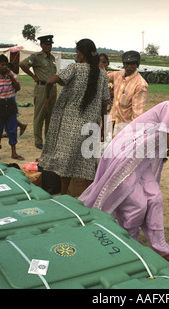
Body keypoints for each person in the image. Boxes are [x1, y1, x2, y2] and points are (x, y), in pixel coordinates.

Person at [79, 80, 169, 264]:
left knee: (155, 198)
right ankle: (130, 241)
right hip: (126, 156)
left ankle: (161, 247)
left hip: (142, 161)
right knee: (137, 203)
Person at [38, 38, 110, 195]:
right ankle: (91, 196)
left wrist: (48, 98)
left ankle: (64, 195)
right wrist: (104, 125)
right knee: (88, 163)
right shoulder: (102, 75)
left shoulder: (74, 68)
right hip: (91, 126)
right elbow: (105, 103)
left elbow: (50, 81)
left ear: (82, 55)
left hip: (70, 125)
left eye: (77, 52)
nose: (76, 55)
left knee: (66, 164)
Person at [19, 35, 57, 149]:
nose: (49, 46)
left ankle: (48, 140)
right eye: (46, 44)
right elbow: (22, 64)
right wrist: (33, 76)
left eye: (50, 44)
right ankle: (38, 141)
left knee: (50, 115)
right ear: (41, 45)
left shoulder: (52, 58)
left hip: (52, 88)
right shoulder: (36, 57)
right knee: (40, 115)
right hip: (42, 88)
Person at [0, 54, 24, 161]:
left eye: (6, 65)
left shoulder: (12, 75)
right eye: (2, 65)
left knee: (12, 130)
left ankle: (14, 152)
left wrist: (11, 77)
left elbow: (18, 88)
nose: (4, 67)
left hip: (11, 106)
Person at [108, 50, 148, 135]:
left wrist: (132, 134)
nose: (129, 66)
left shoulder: (140, 85)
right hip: (110, 123)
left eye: (132, 64)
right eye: (127, 63)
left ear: (137, 65)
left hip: (124, 129)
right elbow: (105, 75)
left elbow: (137, 114)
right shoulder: (118, 75)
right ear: (124, 64)